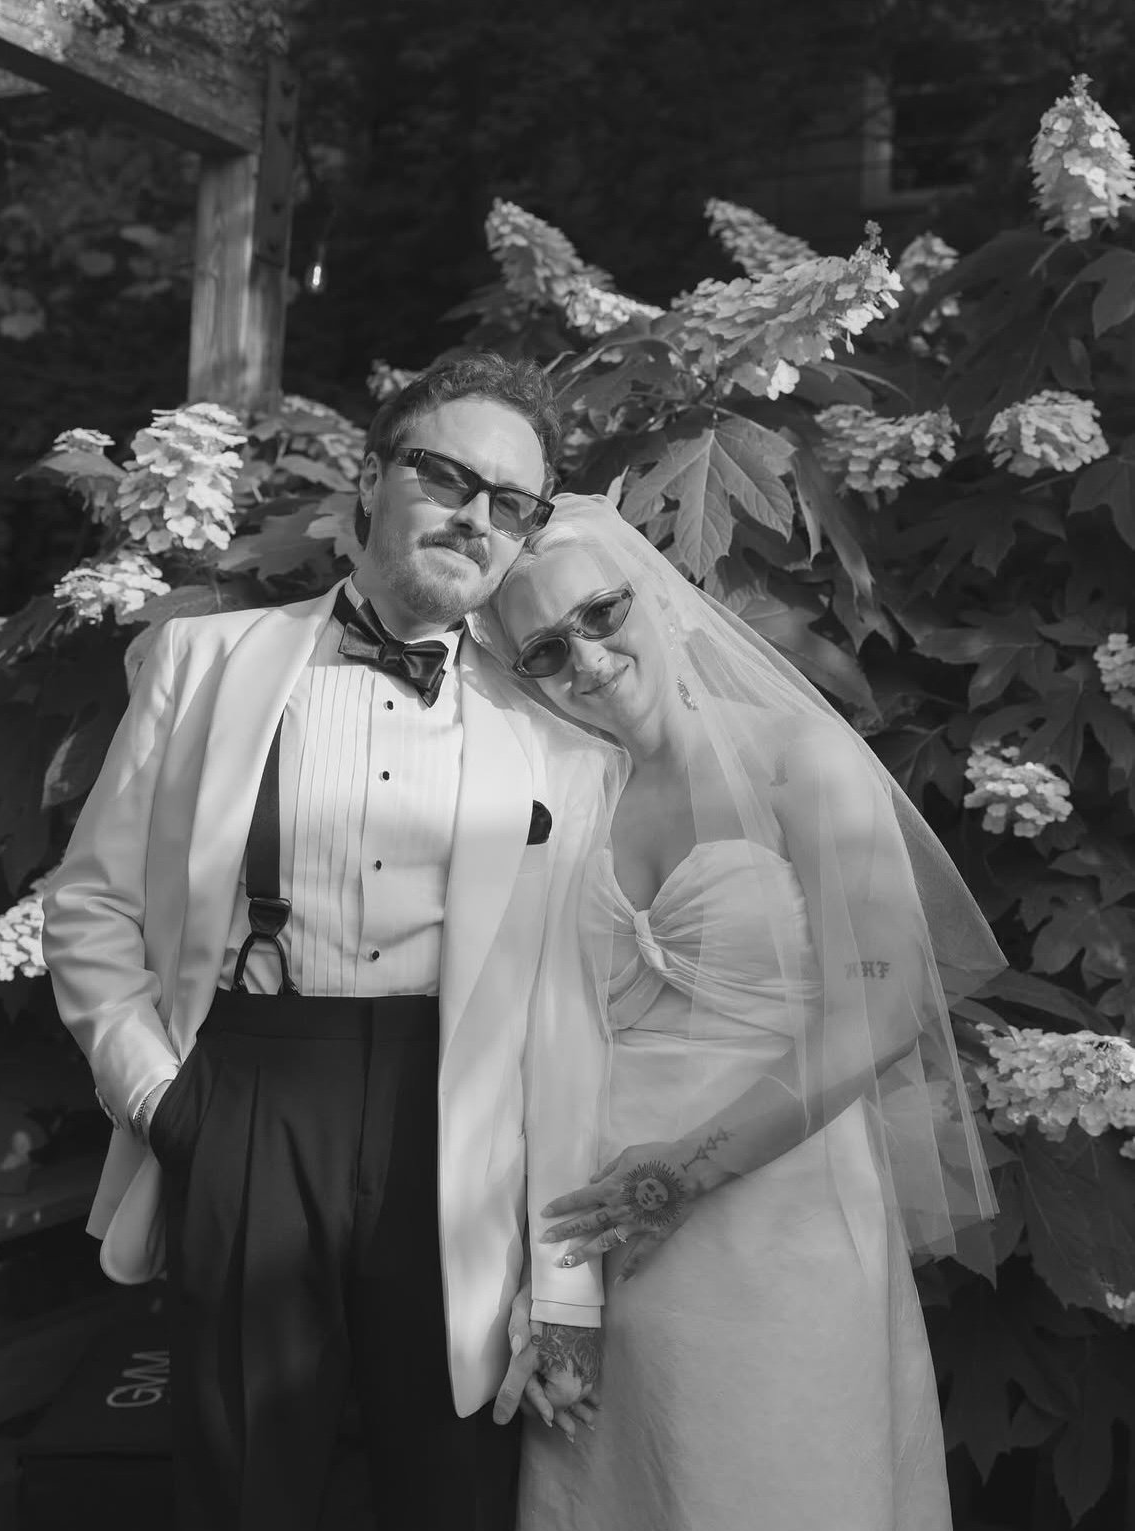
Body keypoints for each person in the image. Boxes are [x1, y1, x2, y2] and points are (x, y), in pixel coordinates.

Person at [40, 356, 607, 1531]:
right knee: (244, 1487)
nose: (476, 517)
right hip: (245, 1092)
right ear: (371, 478)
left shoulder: (552, 736)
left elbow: (566, 1015)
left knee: (454, 1493)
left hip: (455, 1122)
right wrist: (163, 1098)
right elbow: (91, 902)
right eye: (448, 476)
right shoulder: (205, 664)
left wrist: (561, 1279)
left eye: (513, 504)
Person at [482, 492, 1007, 1531]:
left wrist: (683, 1172)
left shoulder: (796, 760)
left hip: (782, 1205)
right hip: (603, 1229)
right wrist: (553, 1286)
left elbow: (886, 1002)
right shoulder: (559, 799)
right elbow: (534, 1050)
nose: (585, 659)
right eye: (544, 651)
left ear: (666, 602)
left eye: (601, 614)